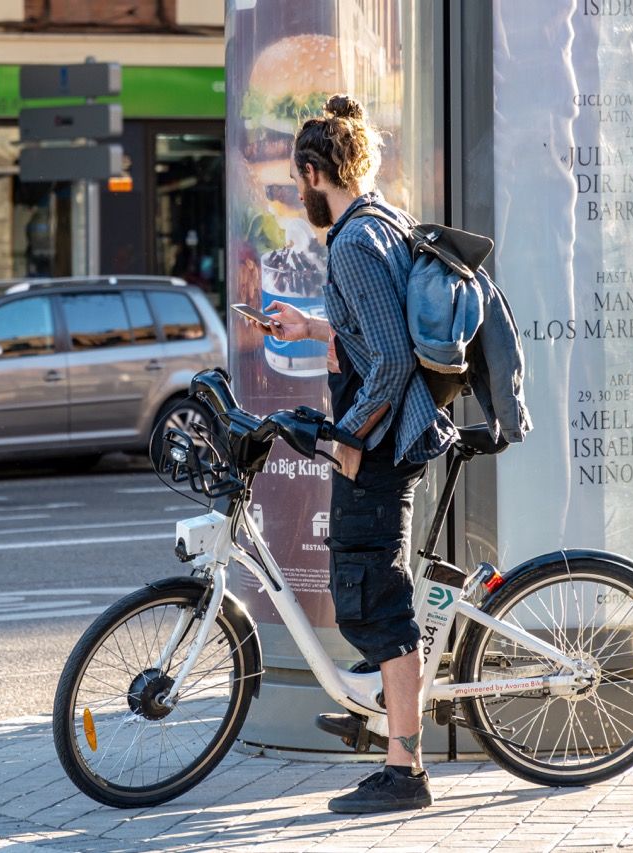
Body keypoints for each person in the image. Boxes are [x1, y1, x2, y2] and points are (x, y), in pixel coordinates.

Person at [244, 94, 457, 814]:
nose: (298, 194)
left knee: (376, 603)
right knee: (369, 594)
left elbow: (392, 359)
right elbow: (373, 326)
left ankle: (406, 770)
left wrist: (349, 437)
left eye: (297, 182)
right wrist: (311, 324)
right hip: (393, 437)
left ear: (312, 171)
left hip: (382, 445)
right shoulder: (382, 220)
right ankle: (384, 726)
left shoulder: (354, 241)